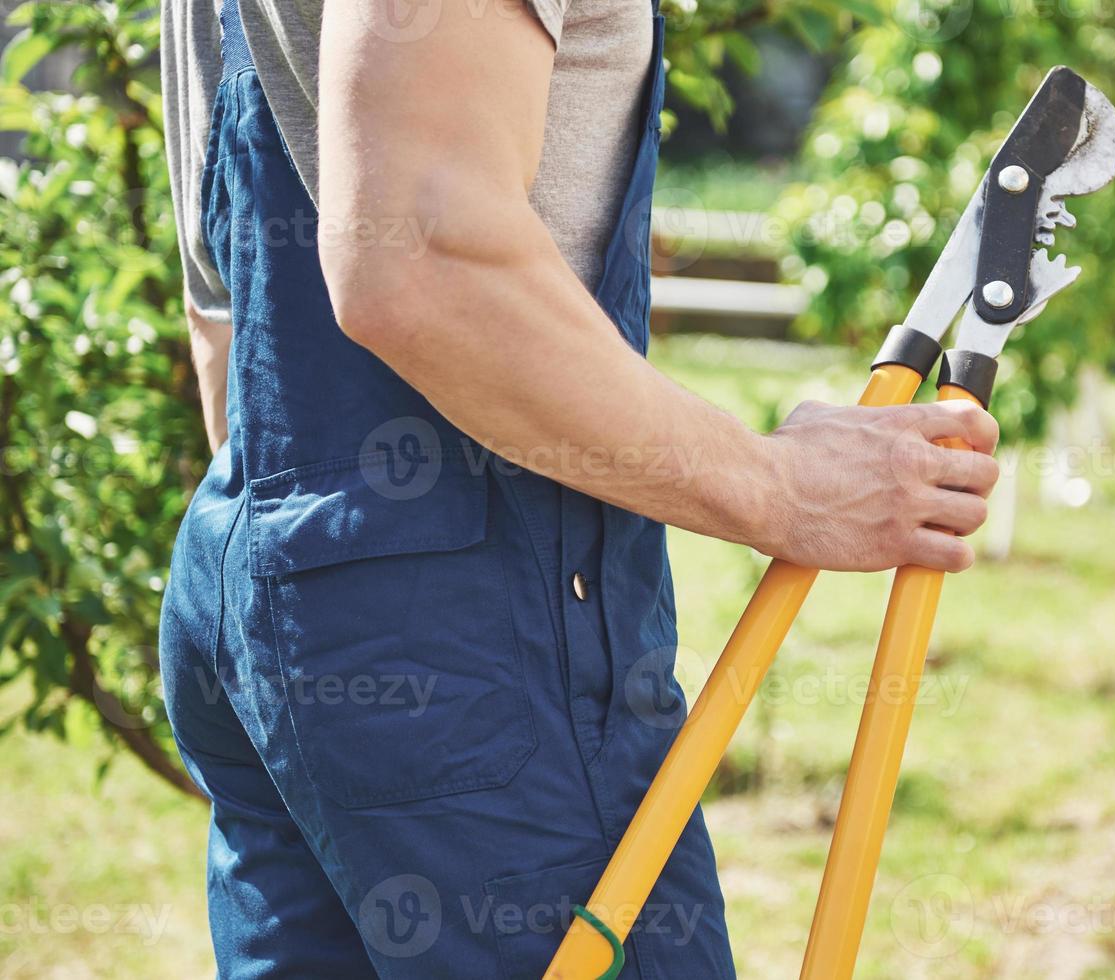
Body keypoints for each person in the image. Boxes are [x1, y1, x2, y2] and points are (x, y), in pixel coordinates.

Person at [157, 0, 1000, 974]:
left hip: (265, 566)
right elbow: (419, 256)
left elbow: (219, 297)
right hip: (474, 640)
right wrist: (781, 486)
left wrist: (314, 576)